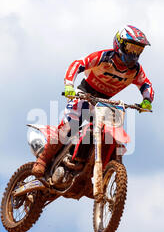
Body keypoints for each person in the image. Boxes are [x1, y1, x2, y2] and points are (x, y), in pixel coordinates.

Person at [32, 25, 155, 177]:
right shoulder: (104, 57)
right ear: (120, 44)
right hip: (85, 94)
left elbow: (146, 84)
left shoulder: (135, 70)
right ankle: (43, 160)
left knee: (113, 134)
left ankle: (103, 172)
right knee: (71, 124)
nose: (133, 53)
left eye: (138, 50)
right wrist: (69, 85)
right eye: (131, 47)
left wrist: (147, 100)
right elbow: (78, 64)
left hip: (106, 103)